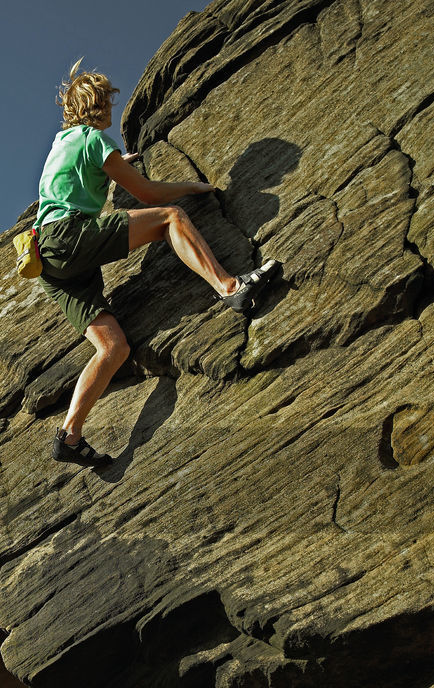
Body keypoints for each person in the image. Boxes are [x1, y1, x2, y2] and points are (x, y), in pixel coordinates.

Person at [34, 59, 280, 468]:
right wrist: (192, 186)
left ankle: (70, 435)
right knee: (171, 217)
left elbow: (81, 180)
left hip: (47, 261)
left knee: (113, 348)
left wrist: (116, 165)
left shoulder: (62, 144)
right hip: (68, 236)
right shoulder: (94, 140)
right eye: (108, 101)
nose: (112, 109)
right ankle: (232, 289)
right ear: (99, 105)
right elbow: (147, 195)